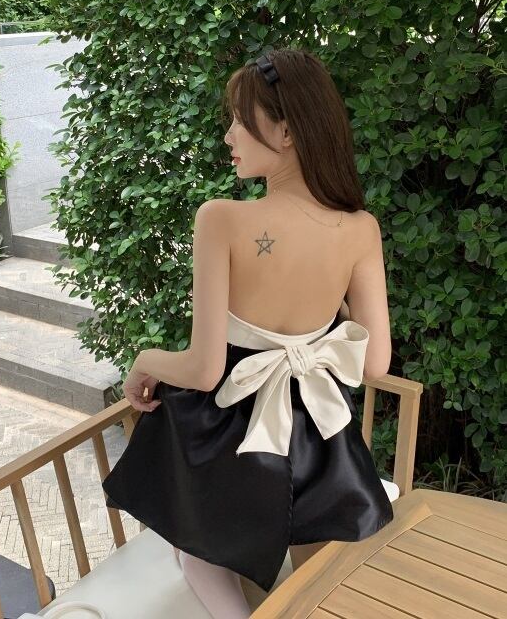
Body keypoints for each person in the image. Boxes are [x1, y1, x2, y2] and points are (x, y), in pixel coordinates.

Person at [102, 48, 394, 618]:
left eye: (240, 119)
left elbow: (205, 368)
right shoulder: (361, 228)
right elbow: (375, 364)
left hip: (228, 433)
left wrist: (144, 359)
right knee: (317, 569)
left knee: (197, 554)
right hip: (315, 432)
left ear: (286, 131)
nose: (229, 135)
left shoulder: (223, 219)